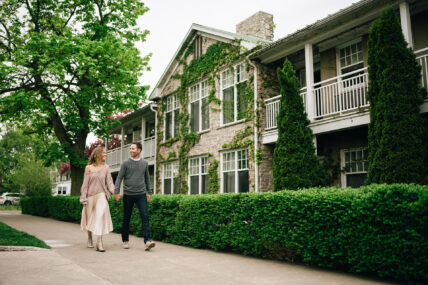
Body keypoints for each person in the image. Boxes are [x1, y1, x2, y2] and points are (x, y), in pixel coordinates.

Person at [114, 142, 155, 251]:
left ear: (139, 150)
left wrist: (149, 192)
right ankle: (125, 240)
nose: (131, 150)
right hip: (128, 194)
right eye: (130, 148)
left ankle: (147, 241)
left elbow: (147, 178)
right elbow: (119, 178)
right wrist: (116, 191)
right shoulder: (125, 163)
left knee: (145, 216)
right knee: (126, 218)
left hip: (141, 194)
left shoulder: (145, 163)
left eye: (133, 148)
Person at [80, 146, 115, 252]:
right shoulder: (88, 168)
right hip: (90, 196)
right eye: (103, 153)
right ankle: (90, 237)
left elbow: (109, 182)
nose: (105, 154)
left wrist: (115, 192)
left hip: (101, 195)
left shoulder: (106, 168)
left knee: (99, 216)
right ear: (97, 154)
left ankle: (99, 242)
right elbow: (85, 185)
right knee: (90, 218)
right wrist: (83, 198)